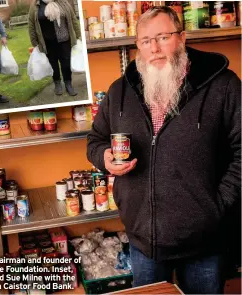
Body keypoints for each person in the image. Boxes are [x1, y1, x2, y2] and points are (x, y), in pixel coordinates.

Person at [87, 6, 241, 294]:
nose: (154, 48)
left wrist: (217, 205)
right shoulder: (120, 91)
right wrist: (104, 158)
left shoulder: (223, 85)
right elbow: (95, 139)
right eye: (146, 41)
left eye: (163, 37)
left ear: (182, 38)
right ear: (138, 47)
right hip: (144, 240)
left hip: (203, 241)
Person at [28, 0, 81, 96]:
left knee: (66, 63)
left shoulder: (63, 2)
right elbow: (31, 24)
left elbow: (73, 18)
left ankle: (68, 84)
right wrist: (34, 42)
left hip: (64, 39)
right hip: (47, 41)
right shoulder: (36, 5)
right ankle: (57, 83)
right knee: (53, 64)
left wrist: (78, 35)